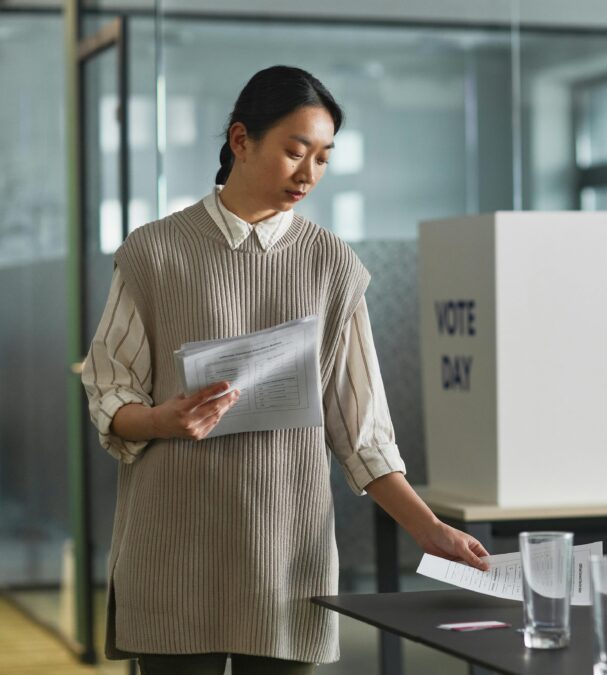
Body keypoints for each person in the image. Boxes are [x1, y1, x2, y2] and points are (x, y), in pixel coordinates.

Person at [81, 65, 490, 675]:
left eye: (324, 158)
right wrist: (163, 420)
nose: (310, 174)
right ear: (241, 141)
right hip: (170, 549)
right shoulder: (153, 252)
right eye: (295, 152)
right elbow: (109, 390)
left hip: (283, 553)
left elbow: (362, 432)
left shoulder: (333, 265)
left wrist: (430, 530)